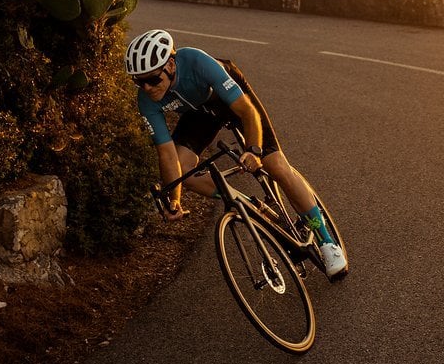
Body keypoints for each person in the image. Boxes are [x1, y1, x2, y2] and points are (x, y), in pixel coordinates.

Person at [125, 28, 347, 279]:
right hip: (198, 114)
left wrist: (253, 151)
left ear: (171, 65)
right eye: (138, 81)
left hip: (231, 101)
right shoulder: (146, 99)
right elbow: (166, 155)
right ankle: (246, 203)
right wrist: (174, 200)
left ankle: (327, 241)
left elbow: (247, 112)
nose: (147, 87)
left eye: (153, 80)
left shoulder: (197, 62)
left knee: (274, 164)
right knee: (184, 171)